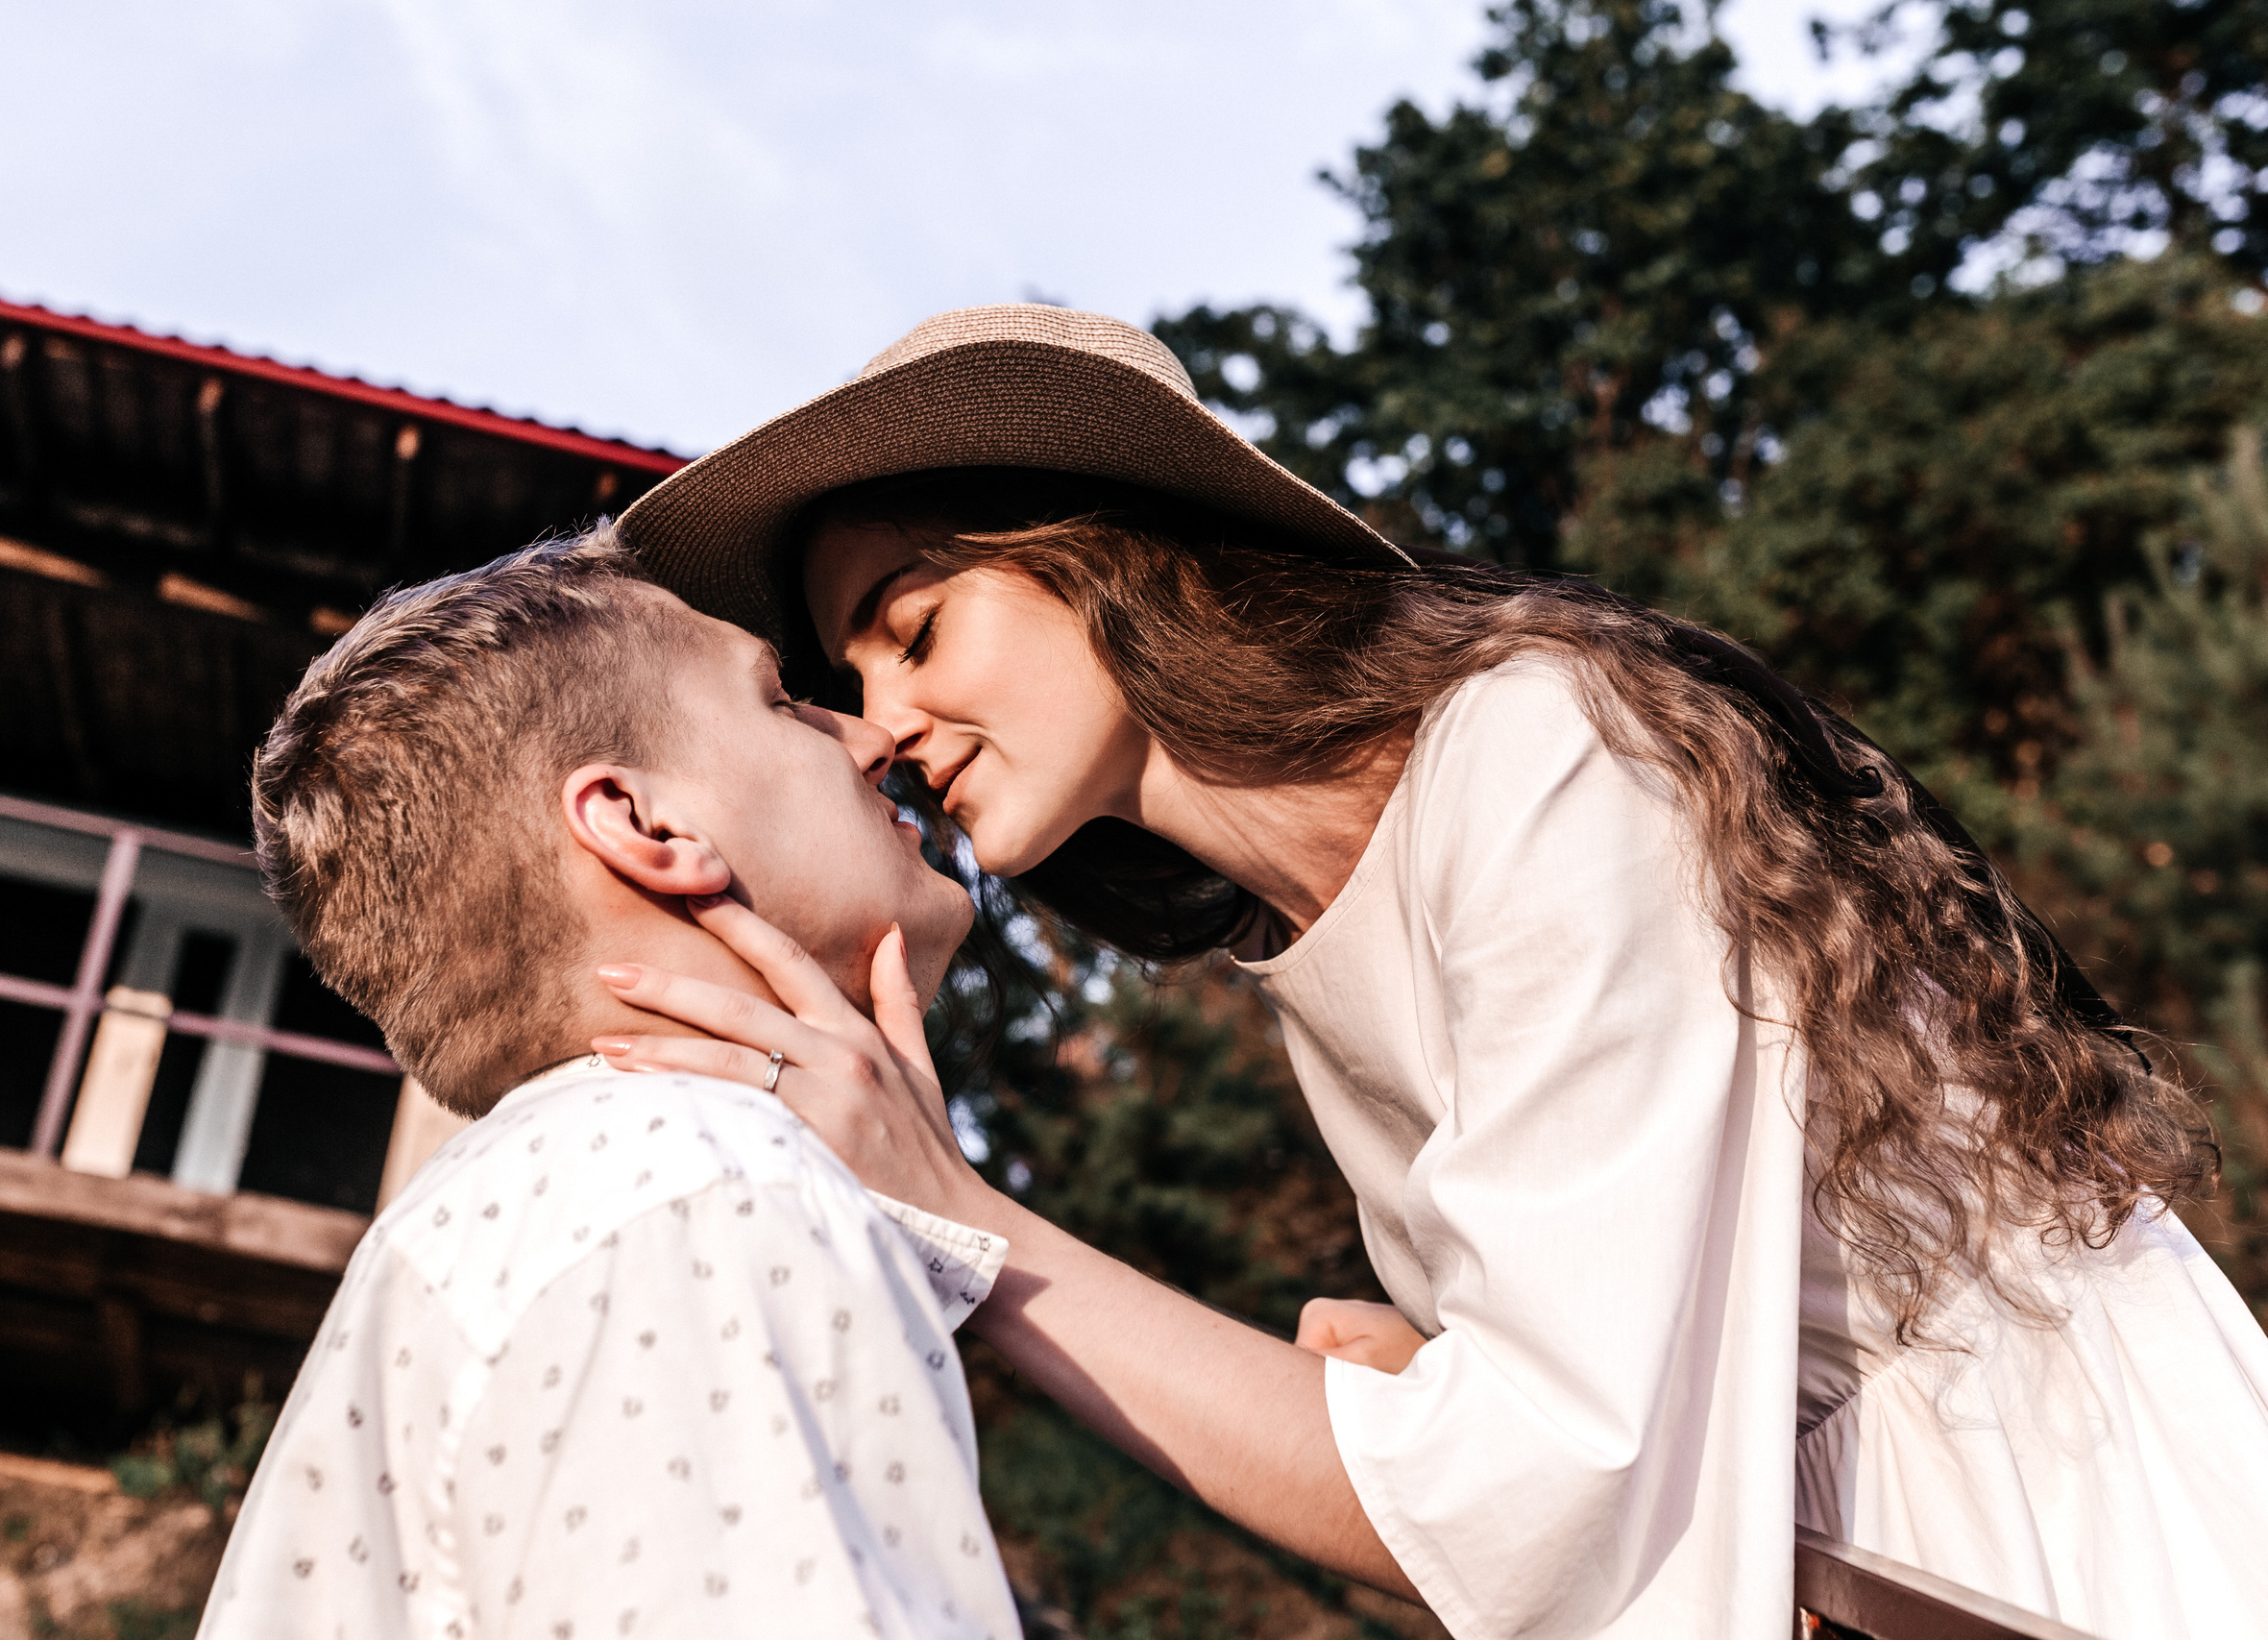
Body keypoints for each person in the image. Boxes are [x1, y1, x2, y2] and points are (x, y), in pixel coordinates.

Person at [597, 305, 2268, 1638]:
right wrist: (1444, 1390)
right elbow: (1583, 1415)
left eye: (914, 623)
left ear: (1100, 556)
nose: (879, 725)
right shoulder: (1310, 927)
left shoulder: (1536, 754)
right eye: (846, 671)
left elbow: (1555, 1479)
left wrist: (957, 1209)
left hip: (2082, 1525)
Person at [199, 532, 1024, 1640]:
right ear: (644, 828)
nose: (872, 736)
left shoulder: (560, 1193)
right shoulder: (702, 1191)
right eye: (783, 701)